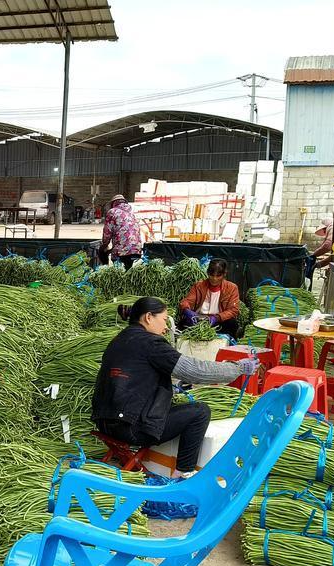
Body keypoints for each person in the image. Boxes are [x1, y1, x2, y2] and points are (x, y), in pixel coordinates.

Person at [92, 297, 261, 478]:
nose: (165, 327)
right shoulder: (152, 344)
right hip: (130, 429)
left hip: (104, 424)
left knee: (174, 409)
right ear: (149, 317)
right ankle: (183, 473)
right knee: (200, 411)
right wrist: (237, 368)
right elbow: (195, 371)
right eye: (164, 319)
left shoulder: (118, 340)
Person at [179, 259, 242, 336]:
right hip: (199, 319)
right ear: (208, 273)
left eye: (218, 276)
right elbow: (188, 301)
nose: (214, 279)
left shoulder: (231, 288)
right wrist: (186, 310)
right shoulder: (199, 286)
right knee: (182, 324)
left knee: (232, 324)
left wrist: (216, 318)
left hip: (218, 321)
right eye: (211, 275)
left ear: (224, 274)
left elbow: (233, 310)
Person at [101, 195, 142, 268]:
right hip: (136, 249)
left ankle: (104, 268)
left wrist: (104, 245)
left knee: (102, 252)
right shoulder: (132, 213)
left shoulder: (112, 212)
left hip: (121, 252)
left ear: (113, 203)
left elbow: (107, 233)